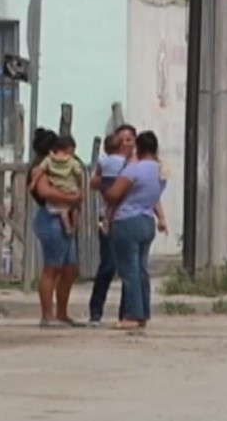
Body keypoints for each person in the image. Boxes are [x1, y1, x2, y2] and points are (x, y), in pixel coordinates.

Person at [103, 130, 168, 330]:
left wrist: (104, 187)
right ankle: (143, 313)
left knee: (129, 271)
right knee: (141, 270)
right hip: (147, 220)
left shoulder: (134, 169)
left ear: (138, 147)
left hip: (127, 221)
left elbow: (114, 194)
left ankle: (131, 314)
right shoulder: (161, 171)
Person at [29, 128, 85, 327]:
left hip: (64, 218)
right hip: (51, 219)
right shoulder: (41, 167)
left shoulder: (60, 165)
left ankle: (62, 313)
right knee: (52, 268)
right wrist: (73, 198)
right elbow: (45, 192)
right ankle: (47, 315)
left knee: (69, 268)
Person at [87, 132, 128, 326]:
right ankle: (97, 311)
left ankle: (124, 312)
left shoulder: (104, 162)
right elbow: (95, 182)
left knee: (119, 268)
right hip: (111, 217)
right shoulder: (125, 163)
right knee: (109, 266)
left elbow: (96, 181)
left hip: (119, 218)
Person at [41, 133, 82, 234]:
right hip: (70, 190)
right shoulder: (72, 161)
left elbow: (41, 169)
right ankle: (74, 226)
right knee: (74, 208)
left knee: (63, 211)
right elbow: (78, 173)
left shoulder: (49, 160)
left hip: (57, 188)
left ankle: (68, 228)